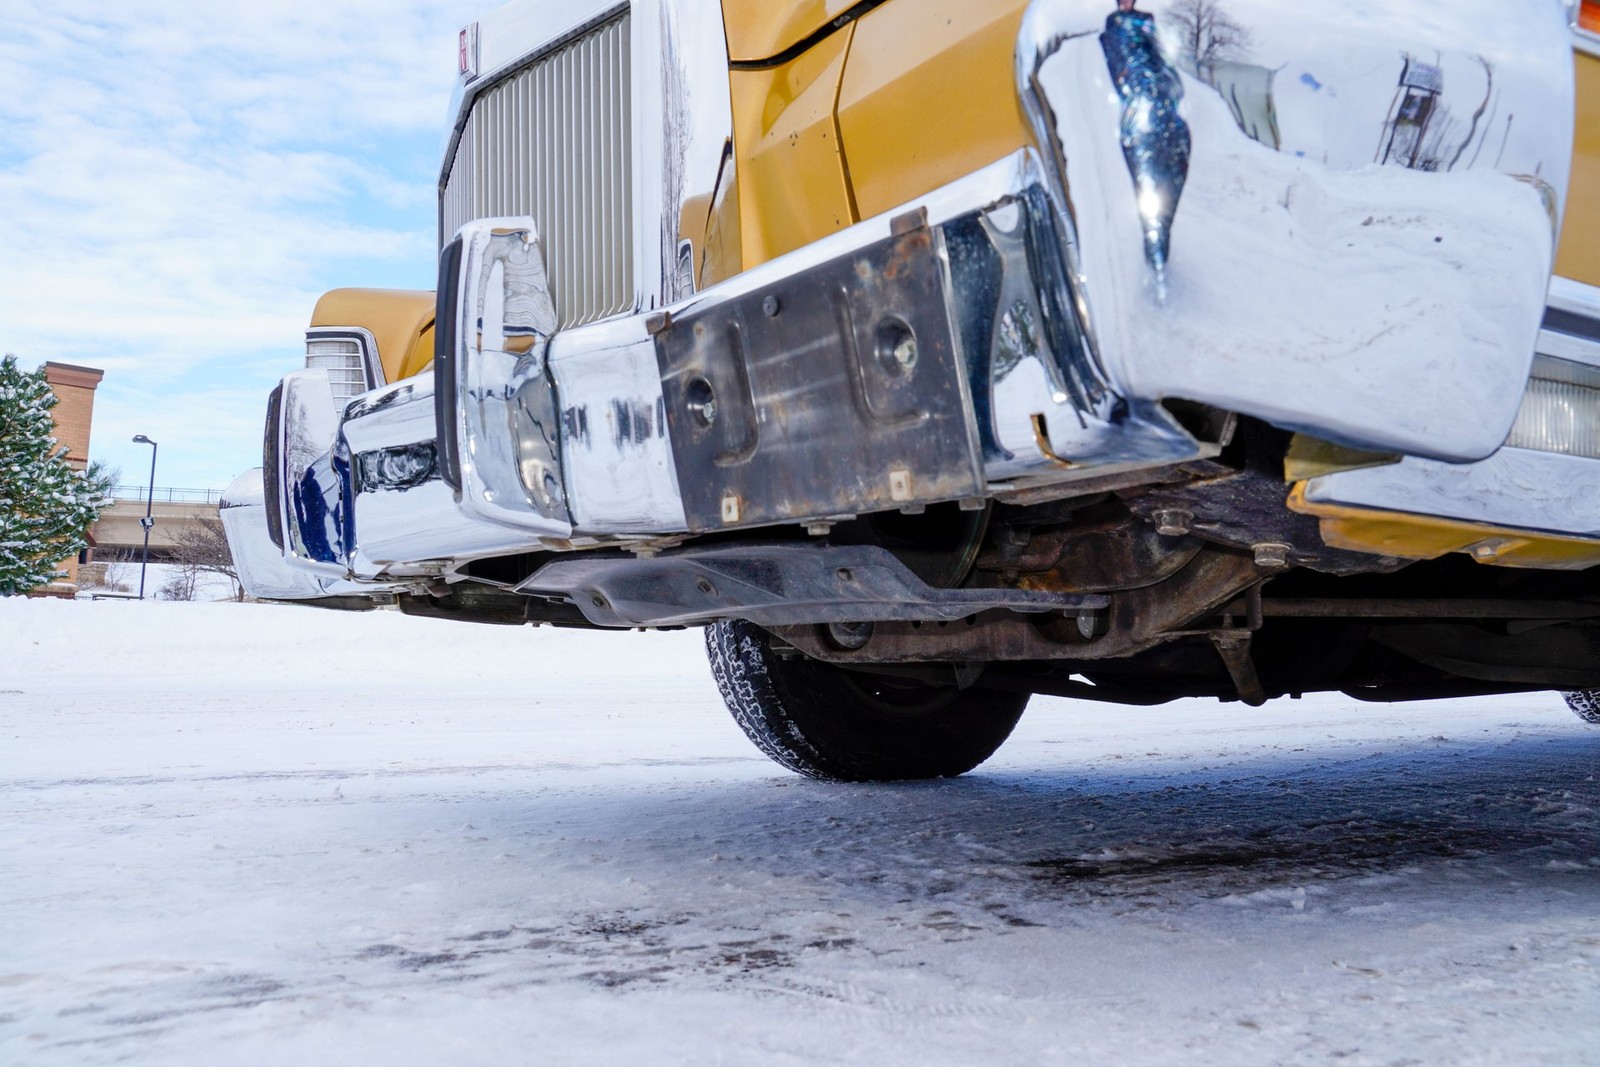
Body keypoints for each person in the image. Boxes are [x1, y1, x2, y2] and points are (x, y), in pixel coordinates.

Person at [1100, 0, 1191, 282]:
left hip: (1164, 112)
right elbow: (1117, 67)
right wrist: (1135, 88)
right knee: (1146, 186)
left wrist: (1171, 87)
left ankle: (1161, 237)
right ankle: (1153, 245)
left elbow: (1164, 58)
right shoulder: (1112, 30)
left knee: (1170, 180)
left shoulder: (1147, 23)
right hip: (1138, 117)